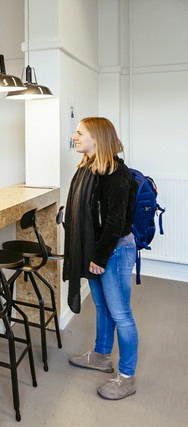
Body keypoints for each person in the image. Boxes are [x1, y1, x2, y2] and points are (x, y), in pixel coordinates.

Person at [64, 117, 137, 400]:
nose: (74, 137)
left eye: (80, 133)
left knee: (121, 314)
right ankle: (101, 356)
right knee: (101, 306)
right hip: (97, 248)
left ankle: (127, 376)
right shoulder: (89, 168)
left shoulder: (117, 173)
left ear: (98, 137)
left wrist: (100, 256)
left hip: (114, 250)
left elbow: (115, 221)